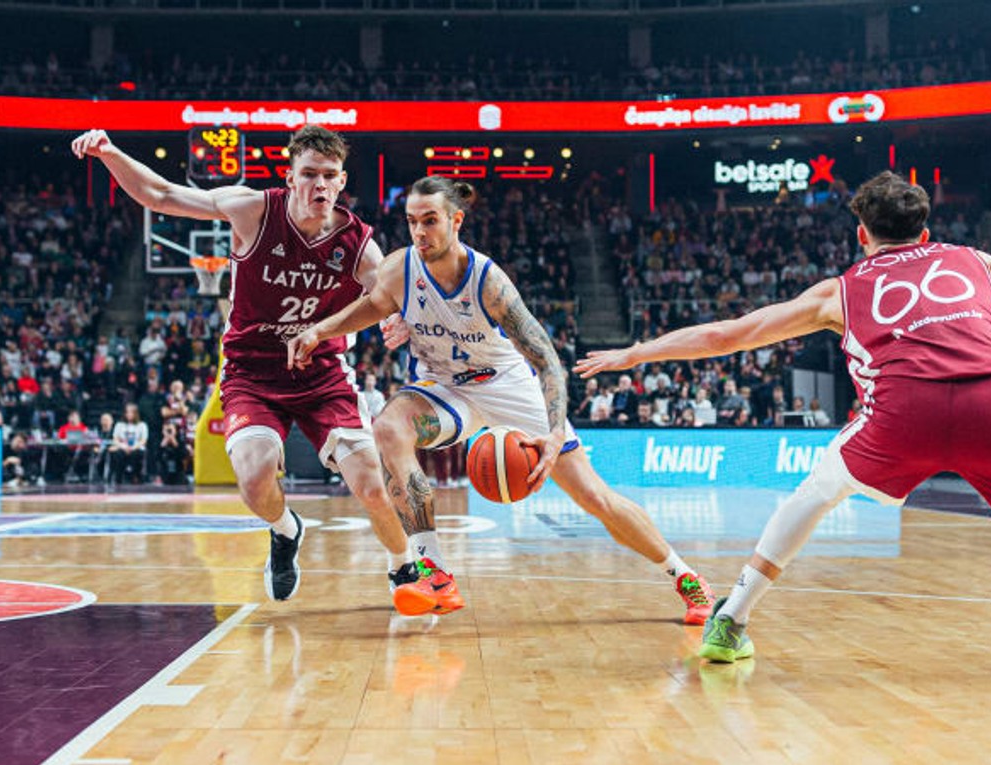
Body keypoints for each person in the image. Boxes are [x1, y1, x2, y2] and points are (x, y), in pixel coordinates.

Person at [577, 171, 991, 662]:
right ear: (925, 233)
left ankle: (732, 619)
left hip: (903, 414)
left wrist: (639, 352)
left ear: (862, 235)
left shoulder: (839, 291)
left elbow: (729, 334)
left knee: (816, 491)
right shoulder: (975, 264)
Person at [287, 175, 715, 622]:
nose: (419, 232)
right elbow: (373, 305)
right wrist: (321, 329)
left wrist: (552, 432)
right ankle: (433, 569)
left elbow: (548, 362)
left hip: (507, 386)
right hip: (445, 390)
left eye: (430, 221)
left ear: (456, 221)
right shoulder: (399, 268)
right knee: (389, 429)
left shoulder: (489, 282)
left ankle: (685, 577)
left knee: (595, 498)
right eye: (412, 221)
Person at [72, 124, 411, 601]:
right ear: (290, 177)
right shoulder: (252, 209)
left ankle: (402, 567)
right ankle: (285, 528)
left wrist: (399, 320)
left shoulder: (358, 242)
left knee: (372, 488)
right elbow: (161, 193)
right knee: (254, 481)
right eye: (309, 173)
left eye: (329, 176)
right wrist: (110, 153)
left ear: (341, 181)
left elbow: (389, 293)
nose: (319, 185)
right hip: (252, 373)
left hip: (321, 374)